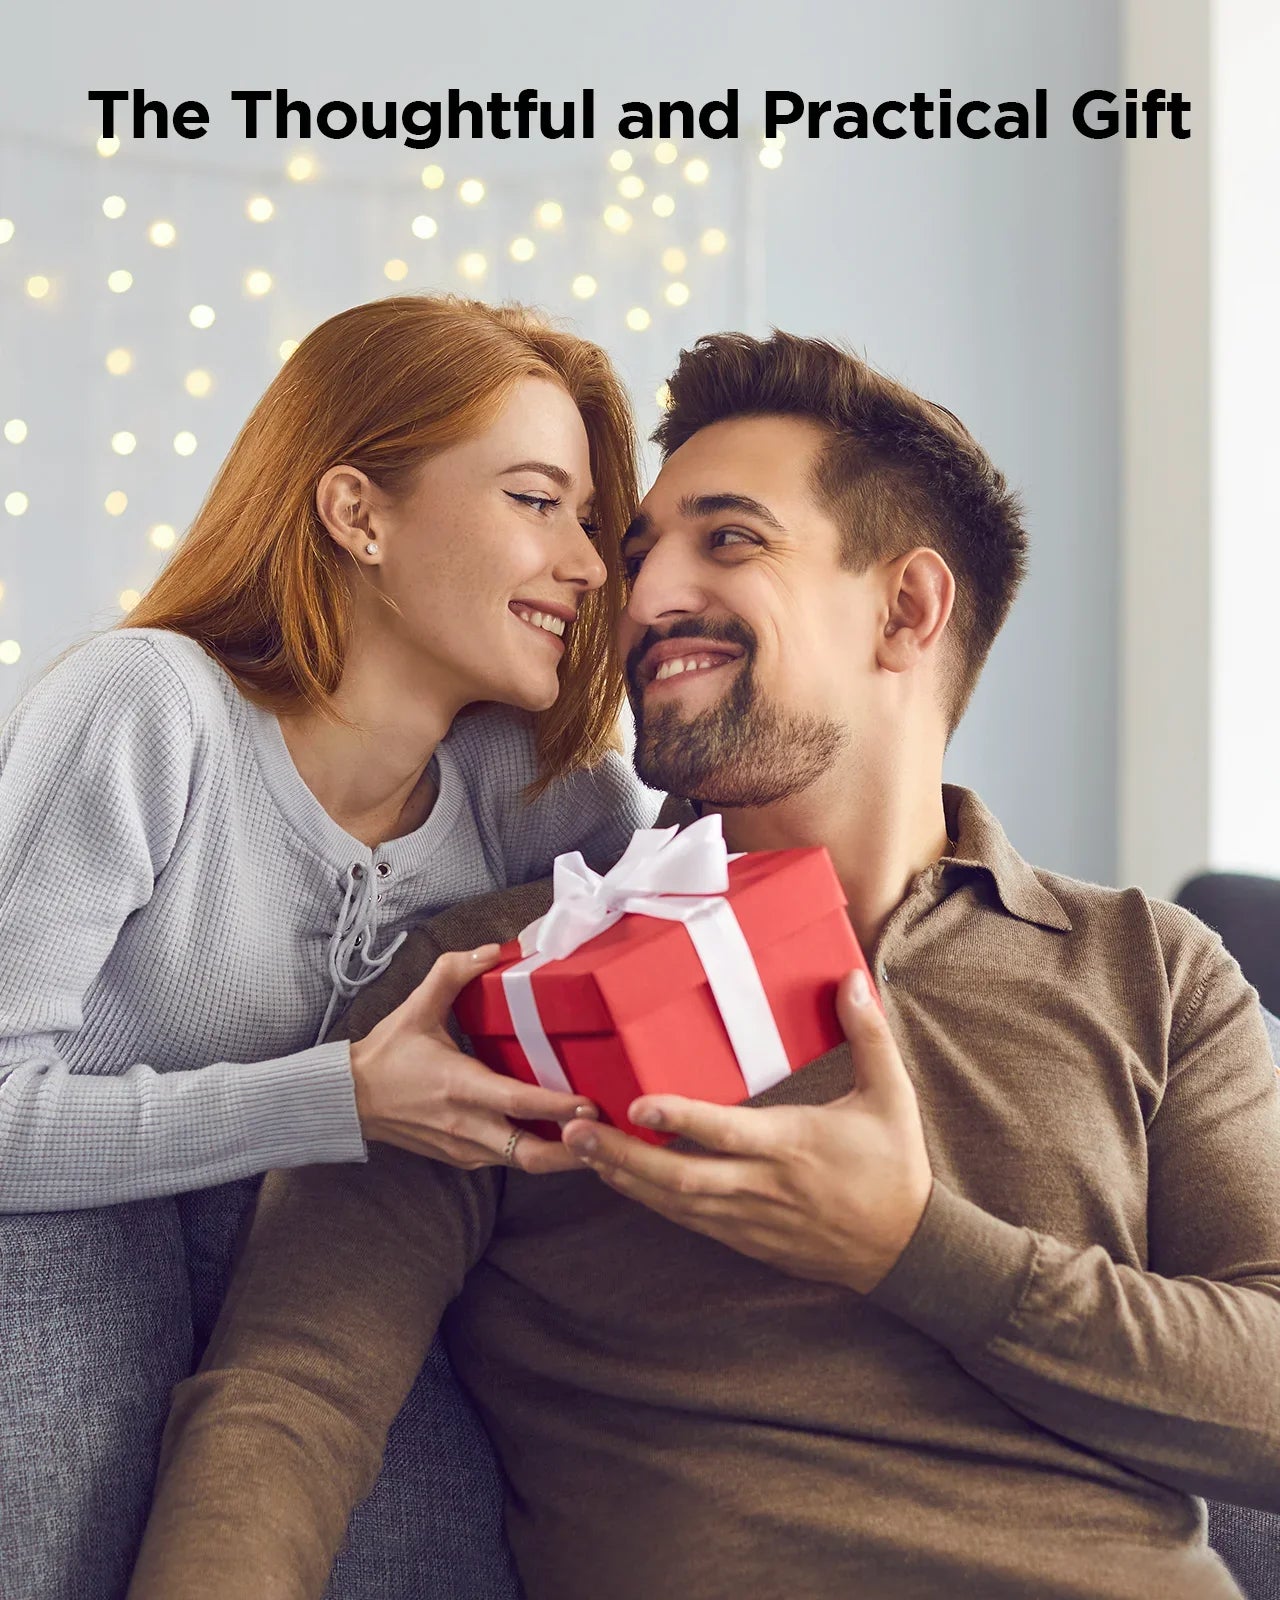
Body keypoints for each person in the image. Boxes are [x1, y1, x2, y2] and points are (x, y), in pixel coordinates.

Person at [127, 331, 1280, 1600]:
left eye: (726, 539)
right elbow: (289, 1399)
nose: (639, 595)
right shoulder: (487, 972)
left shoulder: (1151, 971)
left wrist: (912, 1246)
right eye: (638, 554)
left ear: (905, 608)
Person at [0, 295, 665, 1600]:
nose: (590, 567)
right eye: (538, 501)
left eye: (589, 521)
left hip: (324, 1282)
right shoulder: (148, 709)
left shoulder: (549, 803)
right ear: (357, 512)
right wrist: (341, 1102)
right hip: (61, 1241)